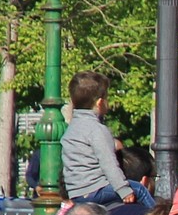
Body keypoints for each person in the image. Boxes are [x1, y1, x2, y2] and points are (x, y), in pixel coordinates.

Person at [60, 71, 150, 207]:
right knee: (139, 190)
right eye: (107, 97)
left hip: (75, 193)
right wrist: (124, 190)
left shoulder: (72, 129)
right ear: (100, 103)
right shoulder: (97, 129)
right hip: (95, 189)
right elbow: (109, 164)